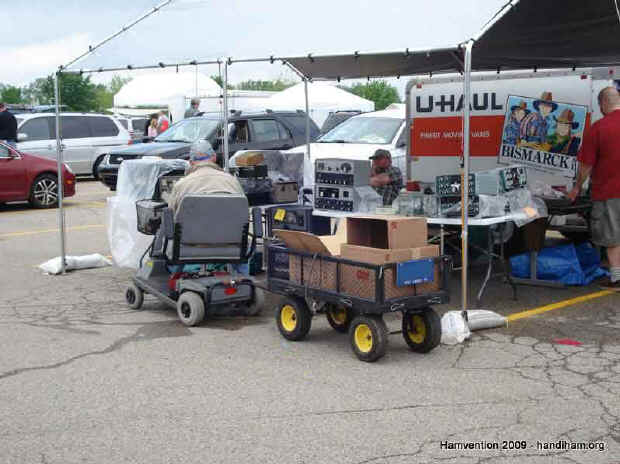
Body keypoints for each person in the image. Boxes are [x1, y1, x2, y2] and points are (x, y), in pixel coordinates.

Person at [568, 87, 620, 291]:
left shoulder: (599, 128)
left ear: (603, 104)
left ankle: (616, 278)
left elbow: (586, 165)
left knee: (612, 234)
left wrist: (576, 188)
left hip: (610, 191)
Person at [167, 139, 244, 213]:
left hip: (193, 226)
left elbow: (171, 217)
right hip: (230, 226)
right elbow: (243, 213)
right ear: (214, 158)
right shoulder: (232, 182)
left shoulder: (181, 186)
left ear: (191, 162)